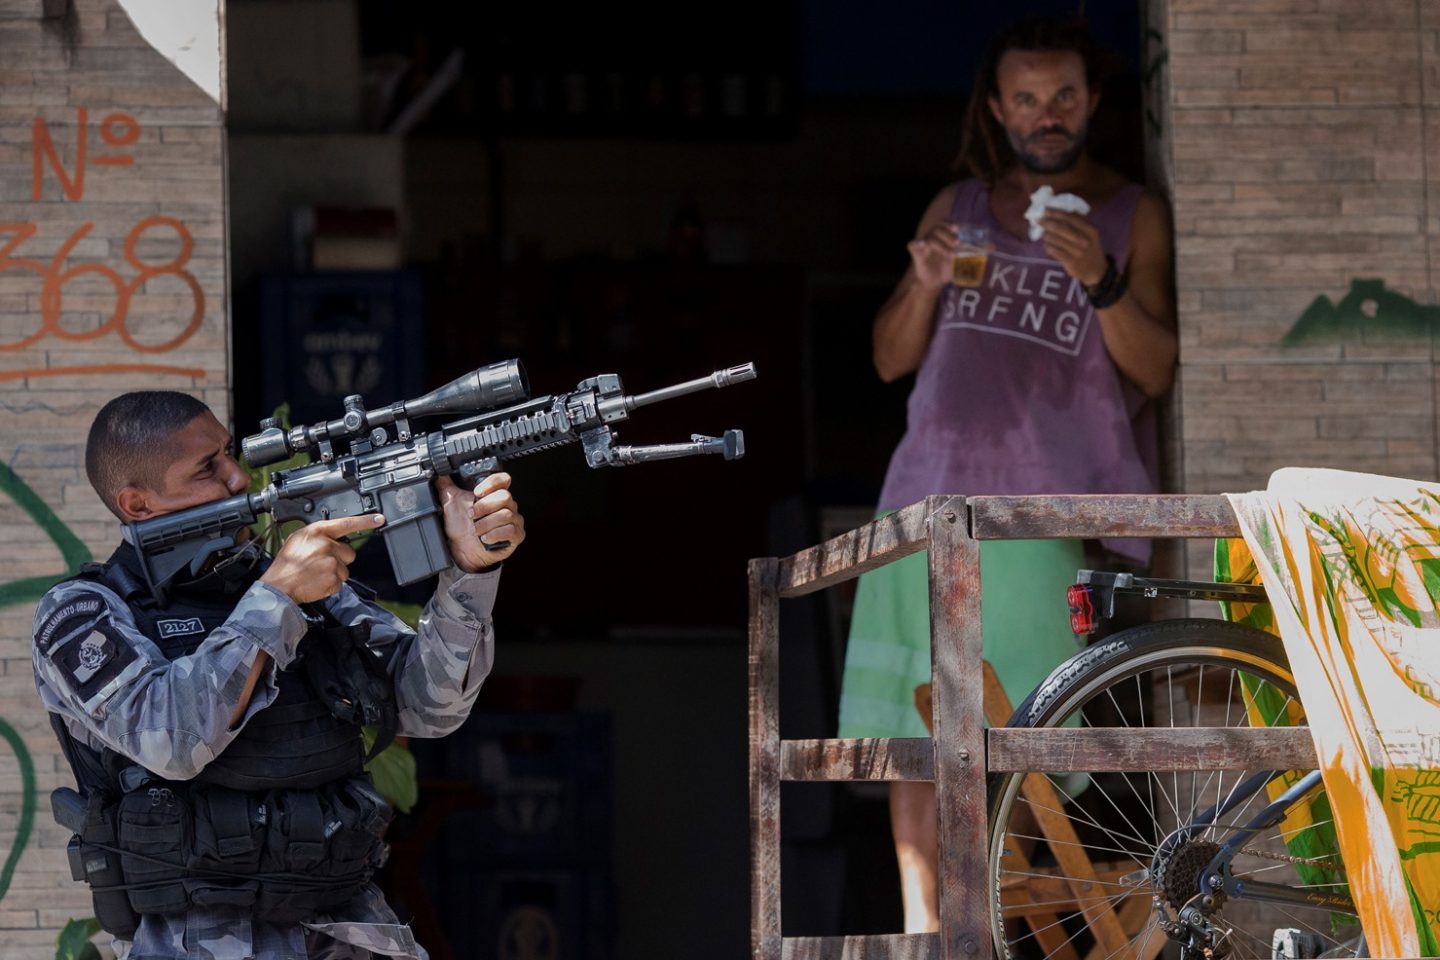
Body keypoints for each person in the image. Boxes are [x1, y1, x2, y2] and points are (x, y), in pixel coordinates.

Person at [836, 15, 1177, 933]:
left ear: (1092, 99)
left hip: (1042, 515)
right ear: (997, 107)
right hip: (924, 498)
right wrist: (923, 281)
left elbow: (1156, 369)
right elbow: (885, 359)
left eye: (1063, 95)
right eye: (1026, 98)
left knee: (1023, 729)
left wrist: (1102, 280)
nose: (1047, 114)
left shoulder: (1129, 213)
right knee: (915, 726)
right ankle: (925, 936)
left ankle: (983, 927)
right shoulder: (961, 206)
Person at [31, 391, 525, 959]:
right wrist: (275, 599)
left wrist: (468, 574)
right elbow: (171, 740)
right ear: (138, 504)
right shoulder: (84, 615)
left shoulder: (294, 590)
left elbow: (429, 706)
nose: (239, 478)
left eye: (228, 454)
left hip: (349, 932)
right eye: (208, 468)